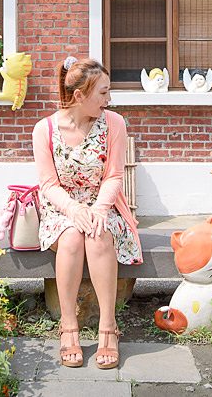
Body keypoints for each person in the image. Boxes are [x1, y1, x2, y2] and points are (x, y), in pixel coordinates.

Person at [33, 56, 142, 370]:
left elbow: (114, 176)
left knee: (97, 236)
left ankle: (108, 327)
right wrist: (73, 209)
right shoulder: (44, 129)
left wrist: (97, 210)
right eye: (103, 94)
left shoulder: (114, 124)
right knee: (69, 241)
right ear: (80, 96)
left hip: (103, 205)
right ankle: (69, 327)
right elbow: (48, 184)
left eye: (108, 92)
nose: (109, 100)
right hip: (61, 208)